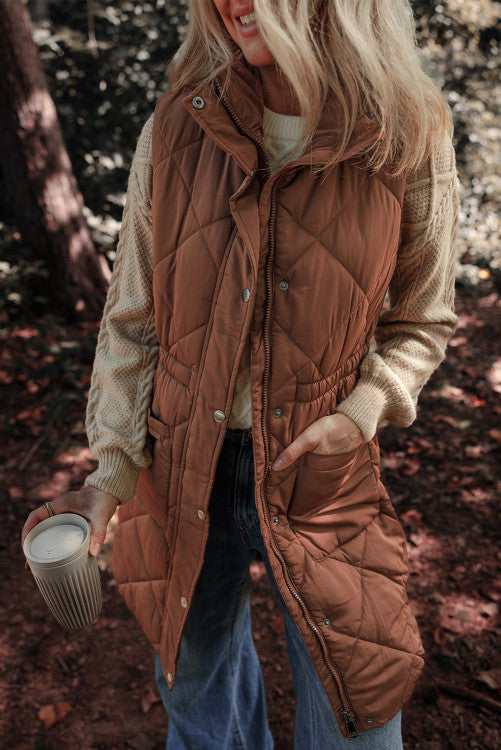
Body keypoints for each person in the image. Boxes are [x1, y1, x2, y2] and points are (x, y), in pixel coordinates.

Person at [22, 0, 460, 747]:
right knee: (200, 716)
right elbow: (134, 321)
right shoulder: (176, 126)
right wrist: (113, 474)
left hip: (321, 479)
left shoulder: (406, 130)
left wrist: (359, 412)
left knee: (358, 720)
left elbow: (423, 319)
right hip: (181, 470)